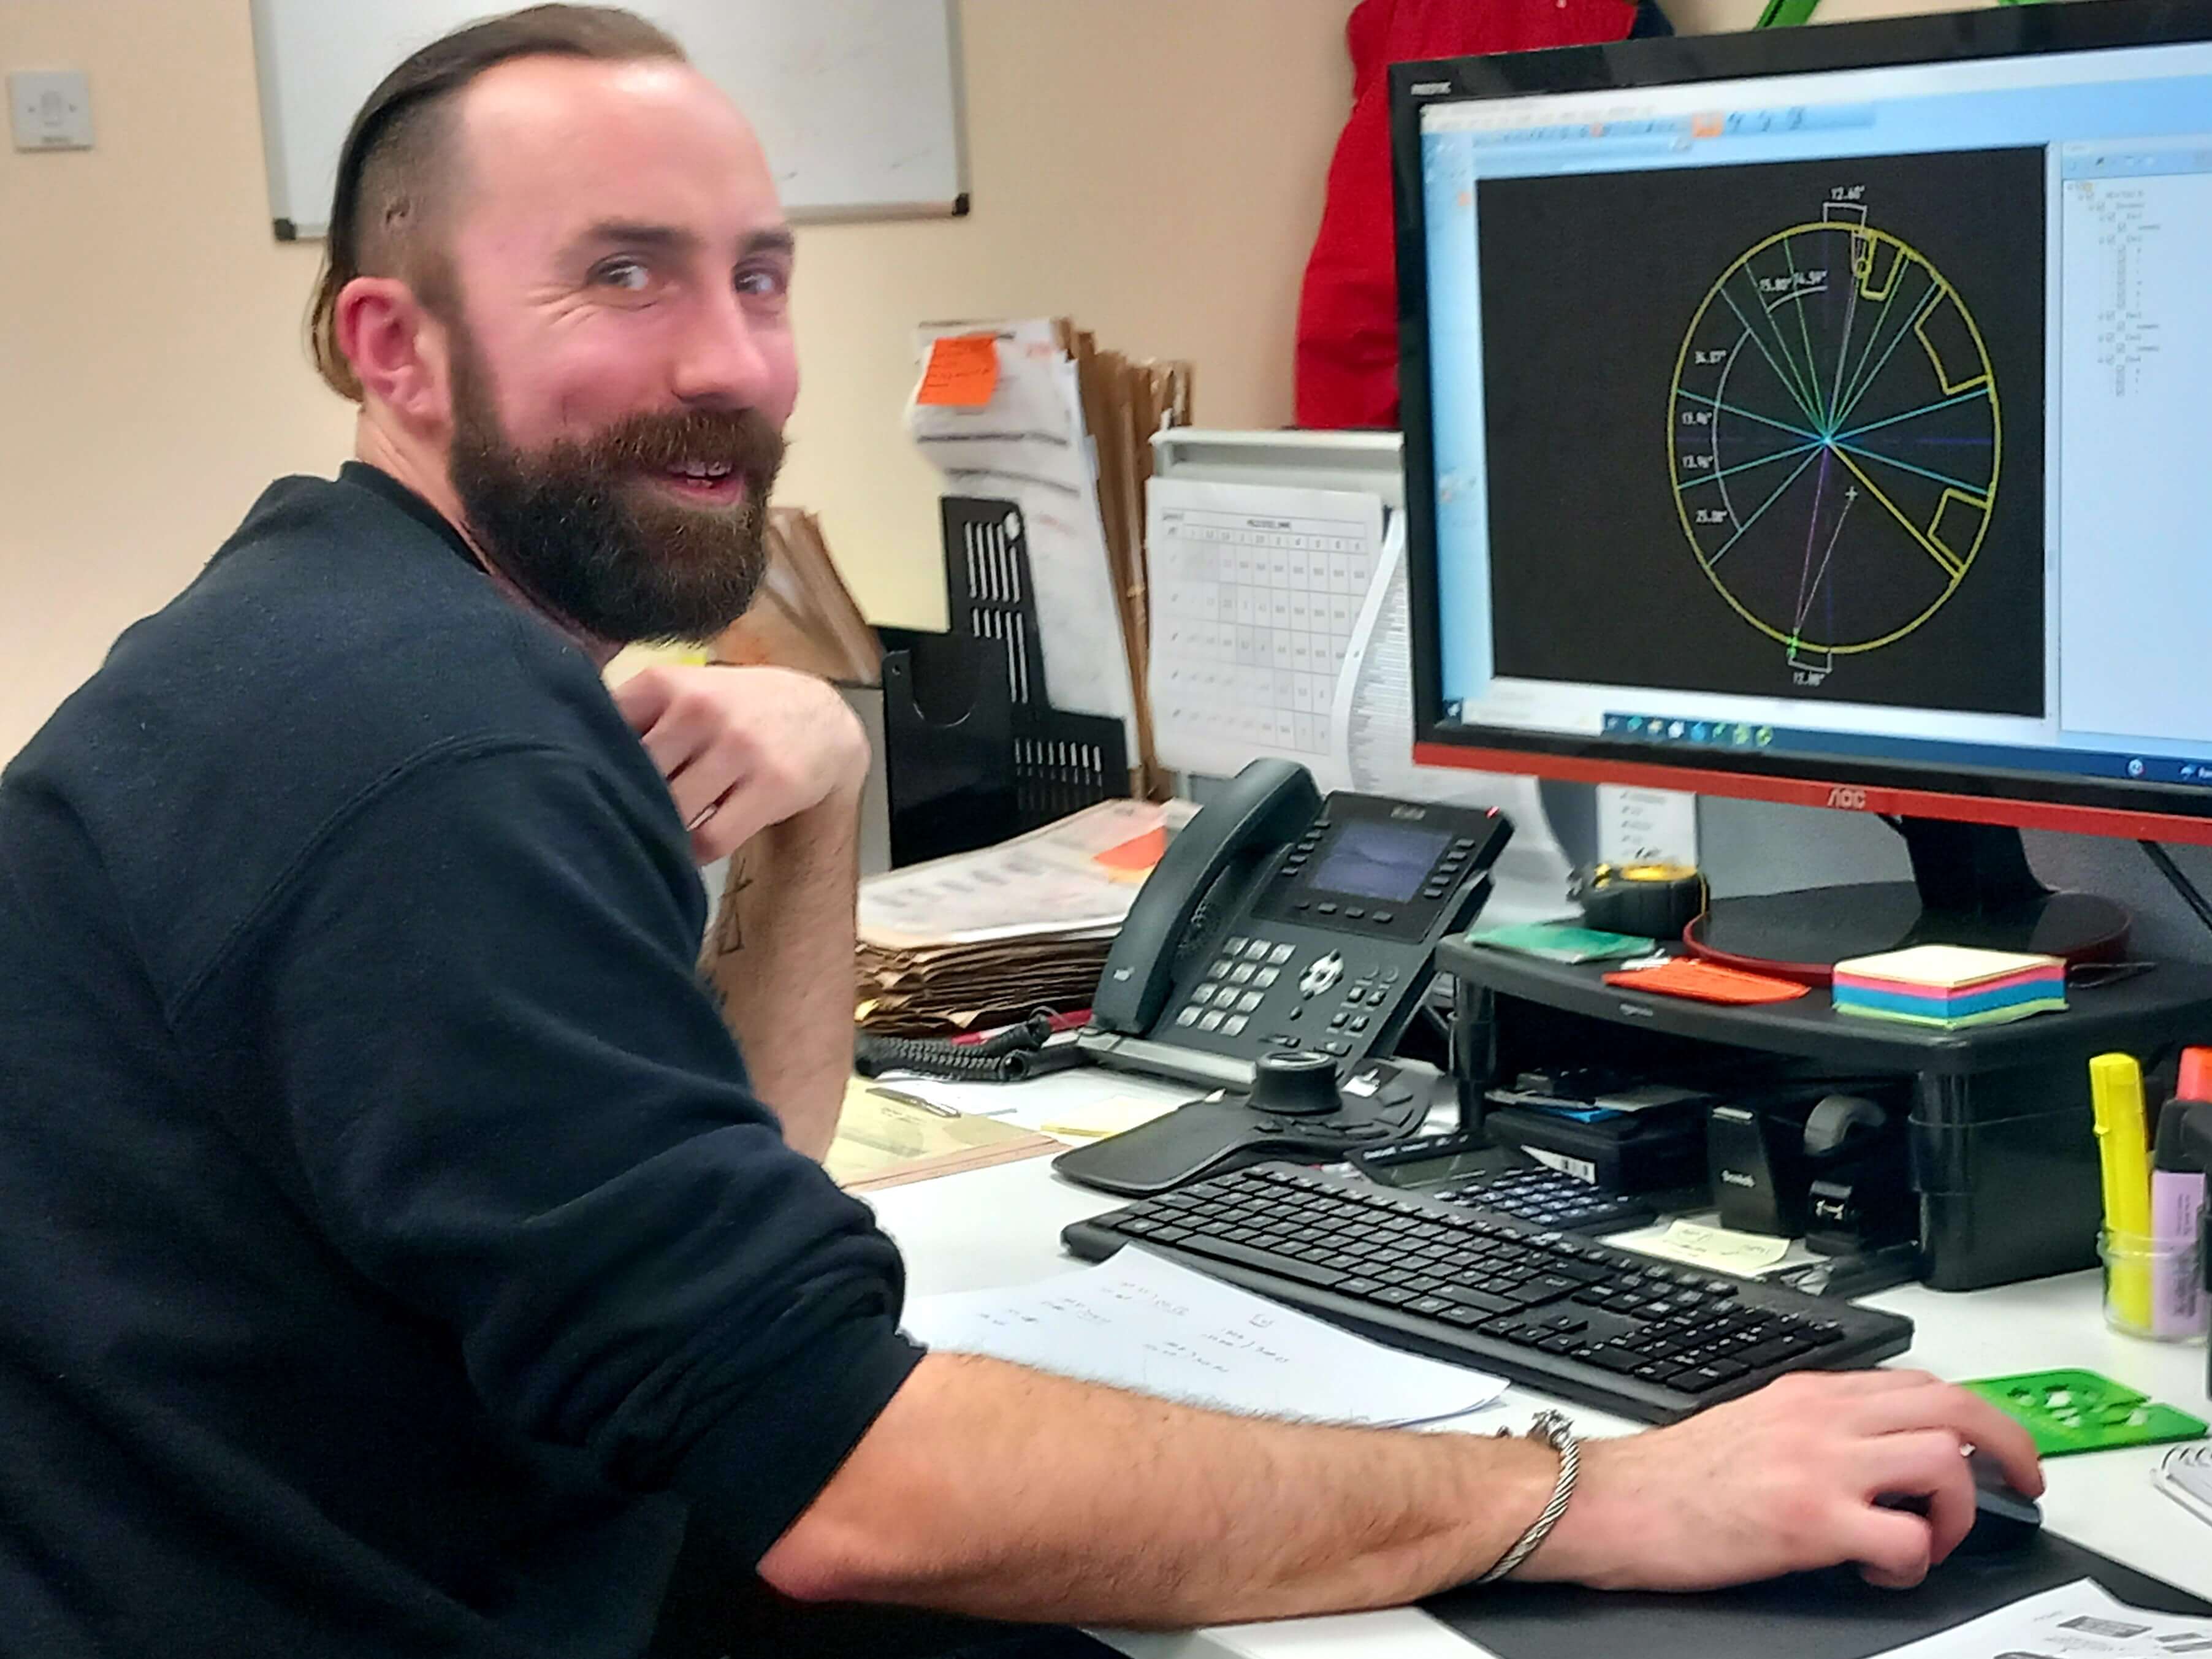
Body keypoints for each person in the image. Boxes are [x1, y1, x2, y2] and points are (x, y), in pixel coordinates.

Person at [0, 7, 2040, 1657]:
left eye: (761, 276)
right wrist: (1591, 1493)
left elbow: (737, 1225)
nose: (730, 363)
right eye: (621, 278)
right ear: (393, 346)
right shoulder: (431, 759)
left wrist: (810, 821)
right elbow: (847, 1484)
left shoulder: (332, 635)